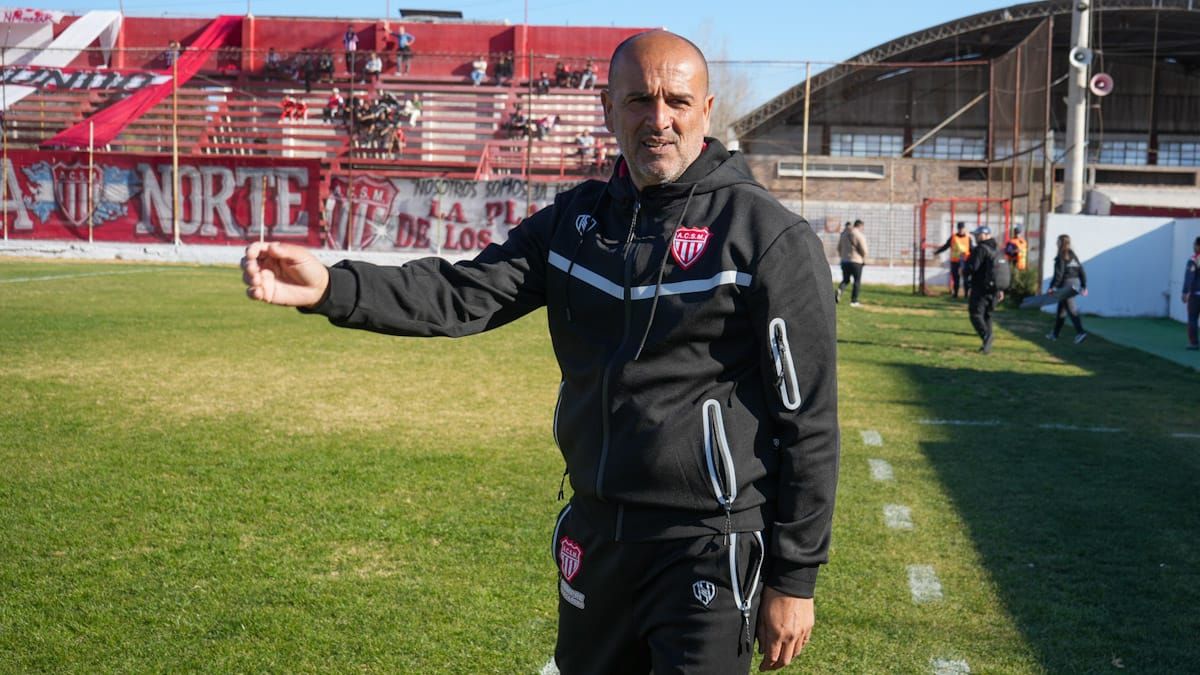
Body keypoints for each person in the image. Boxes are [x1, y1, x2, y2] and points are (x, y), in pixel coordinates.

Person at [241, 30, 837, 674]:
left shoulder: (767, 237)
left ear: (706, 109)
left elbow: (808, 420)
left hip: (706, 546)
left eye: (676, 101)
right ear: (608, 109)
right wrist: (333, 285)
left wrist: (795, 577)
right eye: (638, 100)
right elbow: (461, 294)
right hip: (595, 533)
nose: (658, 119)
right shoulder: (576, 223)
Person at [966, 225, 1003, 354]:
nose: (975, 237)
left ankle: (987, 336)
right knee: (987, 315)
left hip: (980, 287)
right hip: (993, 289)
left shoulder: (981, 249)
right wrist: (1000, 289)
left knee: (975, 314)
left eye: (978, 234)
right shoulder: (996, 249)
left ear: (986, 235)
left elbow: (973, 267)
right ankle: (987, 346)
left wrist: (963, 271)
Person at [1046, 233, 1088, 343]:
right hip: (1075, 283)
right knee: (1062, 310)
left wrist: (1053, 287)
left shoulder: (1061, 256)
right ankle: (1055, 334)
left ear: (1061, 243)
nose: (1056, 243)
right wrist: (1083, 285)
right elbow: (1081, 271)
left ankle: (1081, 332)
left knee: (1071, 309)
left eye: (1057, 241)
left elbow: (1058, 274)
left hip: (1066, 285)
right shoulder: (1073, 255)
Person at [934, 221, 973, 298]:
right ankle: (955, 294)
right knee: (956, 278)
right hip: (955, 261)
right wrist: (937, 252)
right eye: (959, 228)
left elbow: (971, 248)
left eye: (962, 228)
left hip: (965, 261)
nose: (961, 230)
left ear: (965, 229)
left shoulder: (968, 238)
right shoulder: (953, 237)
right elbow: (946, 246)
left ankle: (966, 295)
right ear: (957, 228)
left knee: (966, 278)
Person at [835, 219, 868, 306]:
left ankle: (839, 290)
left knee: (846, 279)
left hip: (845, 261)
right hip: (856, 261)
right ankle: (854, 301)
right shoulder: (859, 235)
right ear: (860, 226)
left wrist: (843, 256)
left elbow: (838, 248)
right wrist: (864, 257)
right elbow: (864, 249)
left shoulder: (844, 234)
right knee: (857, 281)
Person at [1182, 236, 1200, 350]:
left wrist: (1185, 292)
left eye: (1195, 244)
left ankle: (1194, 343)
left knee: (1192, 318)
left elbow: (1190, 277)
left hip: (1196, 295)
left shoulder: (1194, 259)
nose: (1193, 246)